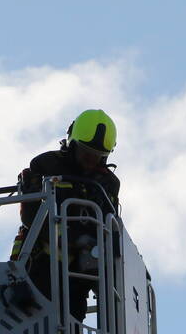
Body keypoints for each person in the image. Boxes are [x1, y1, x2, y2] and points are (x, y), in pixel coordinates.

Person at [11, 109, 120, 322]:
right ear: (72, 143)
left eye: (97, 156)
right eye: (85, 152)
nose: (90, 160)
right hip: (38, 266)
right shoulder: (45, 166)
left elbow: (110, 227)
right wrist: (73, 238)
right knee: (30, 326)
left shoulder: (108, 184)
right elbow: (30, 217)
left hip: (77, 276)